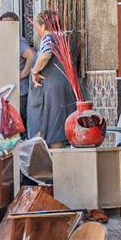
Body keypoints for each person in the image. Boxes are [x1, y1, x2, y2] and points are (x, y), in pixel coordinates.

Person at [27, 10, 77, 148]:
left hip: (50, 92)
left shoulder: (48, 38)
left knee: (52, 131)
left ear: (43, 26)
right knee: (61, 128)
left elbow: (45, 55)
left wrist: (35, 71)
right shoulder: (67, 38)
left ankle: (53, 166)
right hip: (67, 87)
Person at [0, 12, 35, 133]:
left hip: (21, 90)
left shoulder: (18, 41)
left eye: (9, 24)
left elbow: (31, 55)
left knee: (19, 122)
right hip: (12, 89)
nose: (6, 28)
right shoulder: (7, 40)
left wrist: (23, 74)